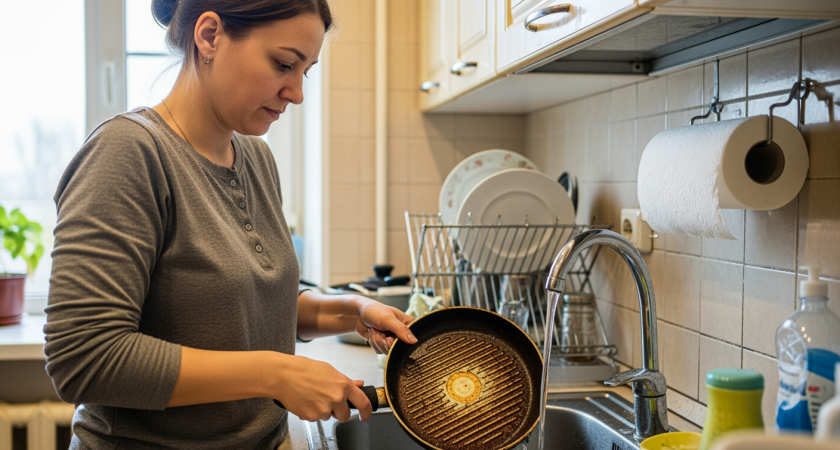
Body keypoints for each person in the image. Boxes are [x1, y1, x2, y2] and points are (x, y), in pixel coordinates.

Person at [43, 0, 416, 448]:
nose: (296, 92)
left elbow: (244, 306)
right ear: (209, 36)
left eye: (305, 72)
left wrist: (350, 311)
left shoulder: (255, 157)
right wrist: (277, 374)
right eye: (283, 64)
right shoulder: (129, 154)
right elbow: (84, 358)